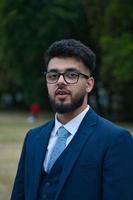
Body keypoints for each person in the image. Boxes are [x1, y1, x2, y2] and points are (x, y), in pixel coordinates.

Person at [11, 39, 133, 200]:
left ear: (89, 85)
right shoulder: (33, 137)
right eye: (53, 75)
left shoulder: (115, 140)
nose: (60, 81)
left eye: (71, 75)